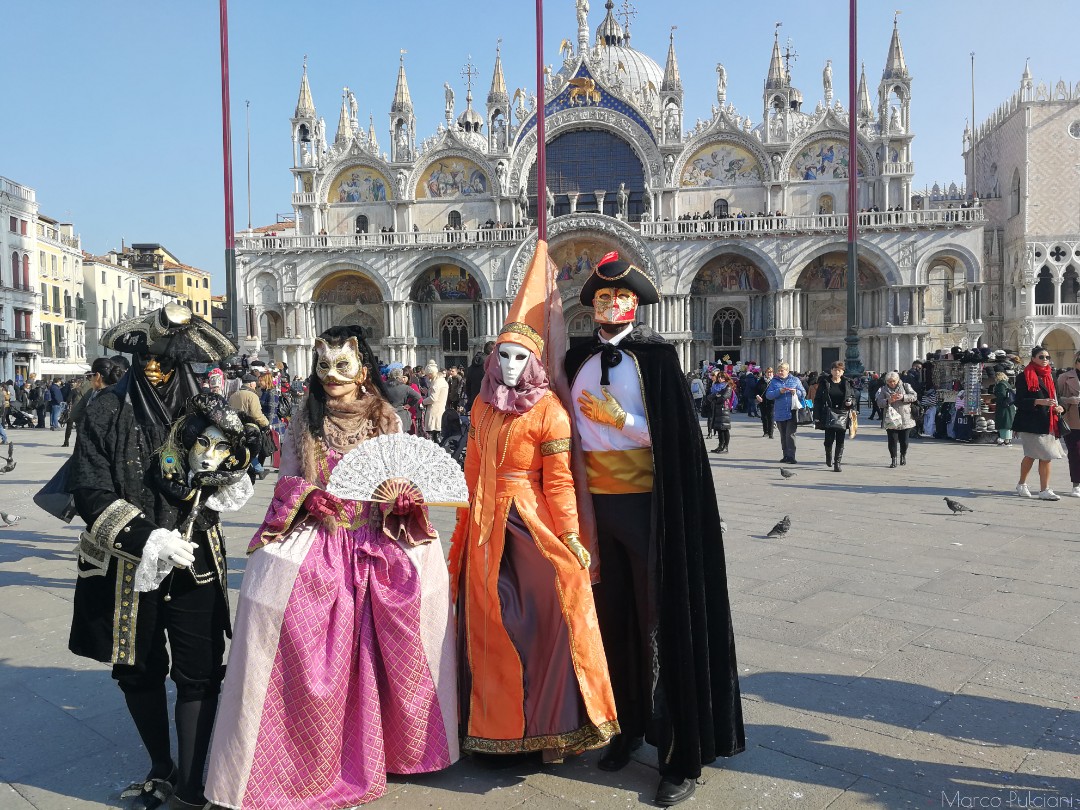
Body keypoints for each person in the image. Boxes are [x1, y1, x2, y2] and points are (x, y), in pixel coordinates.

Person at [206, 326, 458, 809]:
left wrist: (403, 501)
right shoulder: (304, 418)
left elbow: (402, 480)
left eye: (343, 365)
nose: (332, 375)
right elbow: (286, 480)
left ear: (363, 371)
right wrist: (307, 496)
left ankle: (399, 745)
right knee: (277, 604)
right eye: (324, 365)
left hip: (377, 536)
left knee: (416, 600)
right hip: (322, 534)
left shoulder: (388, 418)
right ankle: (305, 754)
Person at [565, 252, 744, 807]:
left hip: (650, 505)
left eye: (620, 297)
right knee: (611, 619)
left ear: (635, 304)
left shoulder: (658, 359)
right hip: (593, 507)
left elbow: (676, 435)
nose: (611, 304)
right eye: (602, 297)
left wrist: (620, 420)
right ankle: (625, 727)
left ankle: (678, 753)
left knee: (659, 618)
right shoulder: (574, 359)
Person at [69, 303, 246, 809]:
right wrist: (146, 537)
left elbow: (228, 465)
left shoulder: (207, 411)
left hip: (194, 560)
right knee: (138, 667)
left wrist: (228, 480)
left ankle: (190, 784)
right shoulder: (104, 409)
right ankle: (160, 765)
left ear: (181, 361)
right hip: (128, 565)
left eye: (164, 358)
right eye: (145, 356)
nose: (153, 366)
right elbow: (89, 488)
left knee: (199, 670)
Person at [449, 242, 618, 764]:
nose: (510, 365)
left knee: (550, 607)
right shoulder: (481, 408)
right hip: (484, 523)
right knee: (486, 617)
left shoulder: (550, 412)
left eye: (520, 357)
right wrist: (459, 530)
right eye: (503, 355)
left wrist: (570, 535)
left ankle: (553, 728)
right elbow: (471, 472)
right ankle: (492, 725)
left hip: (530, 522)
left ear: (535, 361)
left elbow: (560, 481)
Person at [1013, 345, 1066, 500]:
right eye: (1041, 357)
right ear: (1033, 358)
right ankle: (1022, 483)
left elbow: (1057, 397)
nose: (1045, 360)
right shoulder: (1024, 376)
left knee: (1046, 456)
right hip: (1031, 422)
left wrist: (1061, 407)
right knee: (1031, 455)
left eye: (1047, 357)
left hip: (1049, 421)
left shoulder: (1051, 375)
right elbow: (1019, 401)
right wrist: (1038, 401)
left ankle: (1044, 489)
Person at [814, 361, 856, 472]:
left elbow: (853, 397)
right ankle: (828, 455)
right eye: (835, 370)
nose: (837, 372)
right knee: (828, 440)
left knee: (840, 440)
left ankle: (837, 463)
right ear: (831, 371)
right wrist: (816, 416)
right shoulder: (825, 382)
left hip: (843, 413)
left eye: (839, 370)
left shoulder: (847, 383)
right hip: (828, 413)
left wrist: (850, 402)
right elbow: (818, 400)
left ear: (843, 372)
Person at [229, 374, 270, 480]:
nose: (256, 384)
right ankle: (258, 469)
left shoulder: (233, 395)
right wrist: (266, 423)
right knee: (251, 450)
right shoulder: (252, 396)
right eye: (255, 383)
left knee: (241, 449)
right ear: (251, 384)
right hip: (250, 427)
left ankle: (256, 468)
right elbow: (256, 414)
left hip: (236, 426)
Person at [765, 362, 806, 464]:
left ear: (787, 371)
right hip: (780, 412)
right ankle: (785, 455)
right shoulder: (774, 381)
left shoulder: (795, 380)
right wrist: (779, 391)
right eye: (778, 370)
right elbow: (768, 395)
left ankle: (791, 456)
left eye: (782, 370)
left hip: (792, 411)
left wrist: (796, 392)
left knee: (790, 434)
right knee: (783, 435)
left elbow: (803, 393)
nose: (780, 372)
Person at [876, 371, 918, 468]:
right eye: (889, 381)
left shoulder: (905, 386)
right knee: (892, 440)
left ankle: (903, 455)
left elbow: (914, 396)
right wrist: (888, 401)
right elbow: (879, 402)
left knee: (904, 441)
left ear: (898, 380)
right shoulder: (884, 389)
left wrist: (903, 397)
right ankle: (893, 459)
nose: (892, 383)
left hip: (905, 417)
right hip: (891, 418)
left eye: (894, 381)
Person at [1054, 350, 1080, 497]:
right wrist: (1070, 400)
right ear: (1076, 362)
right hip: (1072, 419)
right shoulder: (1064, 377)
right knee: (1075, 452)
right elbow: (1057, 398)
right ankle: (1076, 484)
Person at [708, 371, 735, 453]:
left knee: (724, 428)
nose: (720, 379)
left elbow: (724, 397)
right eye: (719, 377)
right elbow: (709, 397)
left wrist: (715, 399)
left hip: (724, 409)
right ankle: (720, 445)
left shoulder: (728, 386)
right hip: (716, 409)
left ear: (725, 378)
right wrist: (716, 396)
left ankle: (725, 446)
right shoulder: (715, 386)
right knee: (719, 428)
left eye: (722, 377)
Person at [422, 361, 448, 443]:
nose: (427, 377)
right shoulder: (441, 381)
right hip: (439, 410)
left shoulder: (437, 382)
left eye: (428, 375)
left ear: (431, 373)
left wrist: (423, 402)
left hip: (434, 411)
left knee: (434, 435)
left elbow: (433, 398)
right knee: (436, 434)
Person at [464, 341, 494, 410]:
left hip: (475, 402)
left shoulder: (471, 367)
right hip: (488, 403)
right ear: (492, 352)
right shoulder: (490, 365)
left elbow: (467, 386)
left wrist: (470, 400)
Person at [992, 371, 1016, 446]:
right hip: (1010, 406)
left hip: (1003, 407)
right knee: (1008, 423)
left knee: (1003, 423)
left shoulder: (1000, 385)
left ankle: (1004, 439)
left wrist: (993, 400)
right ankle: (1007, 440)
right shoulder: (1007, 384)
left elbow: (1001, 395)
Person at [756, 367, 776, 438]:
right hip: (762, 401)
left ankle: (771, 433)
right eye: (768, 372)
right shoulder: (761, 381)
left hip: (772, 401)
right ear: (765, 373)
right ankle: (765, 432)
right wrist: (757, 396)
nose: (769, 374)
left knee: (771, 417)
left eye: (771, 372)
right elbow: (756, 390)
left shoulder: (774, 381)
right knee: (764, 417)